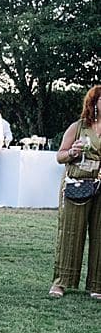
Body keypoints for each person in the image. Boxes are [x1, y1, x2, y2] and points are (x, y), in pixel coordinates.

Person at [49, 85, 101, 299]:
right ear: (94, 103)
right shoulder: (78, 127)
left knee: (100, 235)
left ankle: (97, 285)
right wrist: (72, 152)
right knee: (71, 233)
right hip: (77, 184)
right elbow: (59, 156)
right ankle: (62, 282)